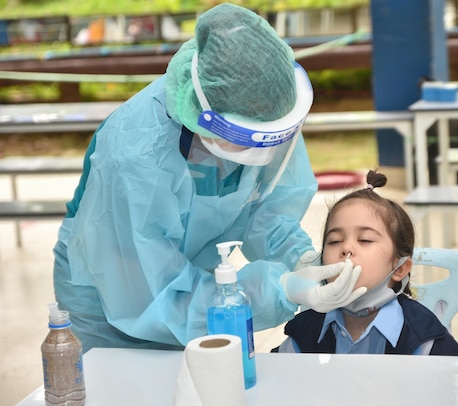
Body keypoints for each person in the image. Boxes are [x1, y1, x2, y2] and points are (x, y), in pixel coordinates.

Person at [52, 4, 365, 352]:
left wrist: (301, 258)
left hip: (195, 283)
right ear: (204, 116)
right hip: (113, 291)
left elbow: (266, 210)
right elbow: (156, 296)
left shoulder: (269, 111)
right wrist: (283, 290)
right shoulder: (135, 157)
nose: (260, 154)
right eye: (244, 139)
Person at [273, 170, 458, 355]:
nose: (346, 248)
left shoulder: (425, 337)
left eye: (365, 239)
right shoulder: (304, 332)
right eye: (335, 241)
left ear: (400, 268)